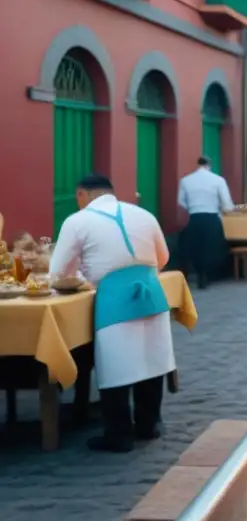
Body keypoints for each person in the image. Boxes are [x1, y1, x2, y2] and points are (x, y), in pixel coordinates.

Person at [50, 174, 175, 452]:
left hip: (113, 298)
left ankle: (118, 434)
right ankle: (149, 424)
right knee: (152, 360)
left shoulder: (77, 221)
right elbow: (163, 257)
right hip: (152, 292)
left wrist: (84, 274)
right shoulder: (143, 214)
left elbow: (58, 272)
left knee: (116, 367)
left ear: (82, 194)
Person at [177, 155, 233, 289]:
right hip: (212, 216)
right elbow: (226, 203)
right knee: (212, 246)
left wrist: (192, 208)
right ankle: (208, 275)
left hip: (195, 217)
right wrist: (225, 209)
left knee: (196, 247)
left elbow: (180, 201)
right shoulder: (218, 180)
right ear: (209, 165)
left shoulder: (186, 180)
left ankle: (198, 272)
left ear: (197, 165)